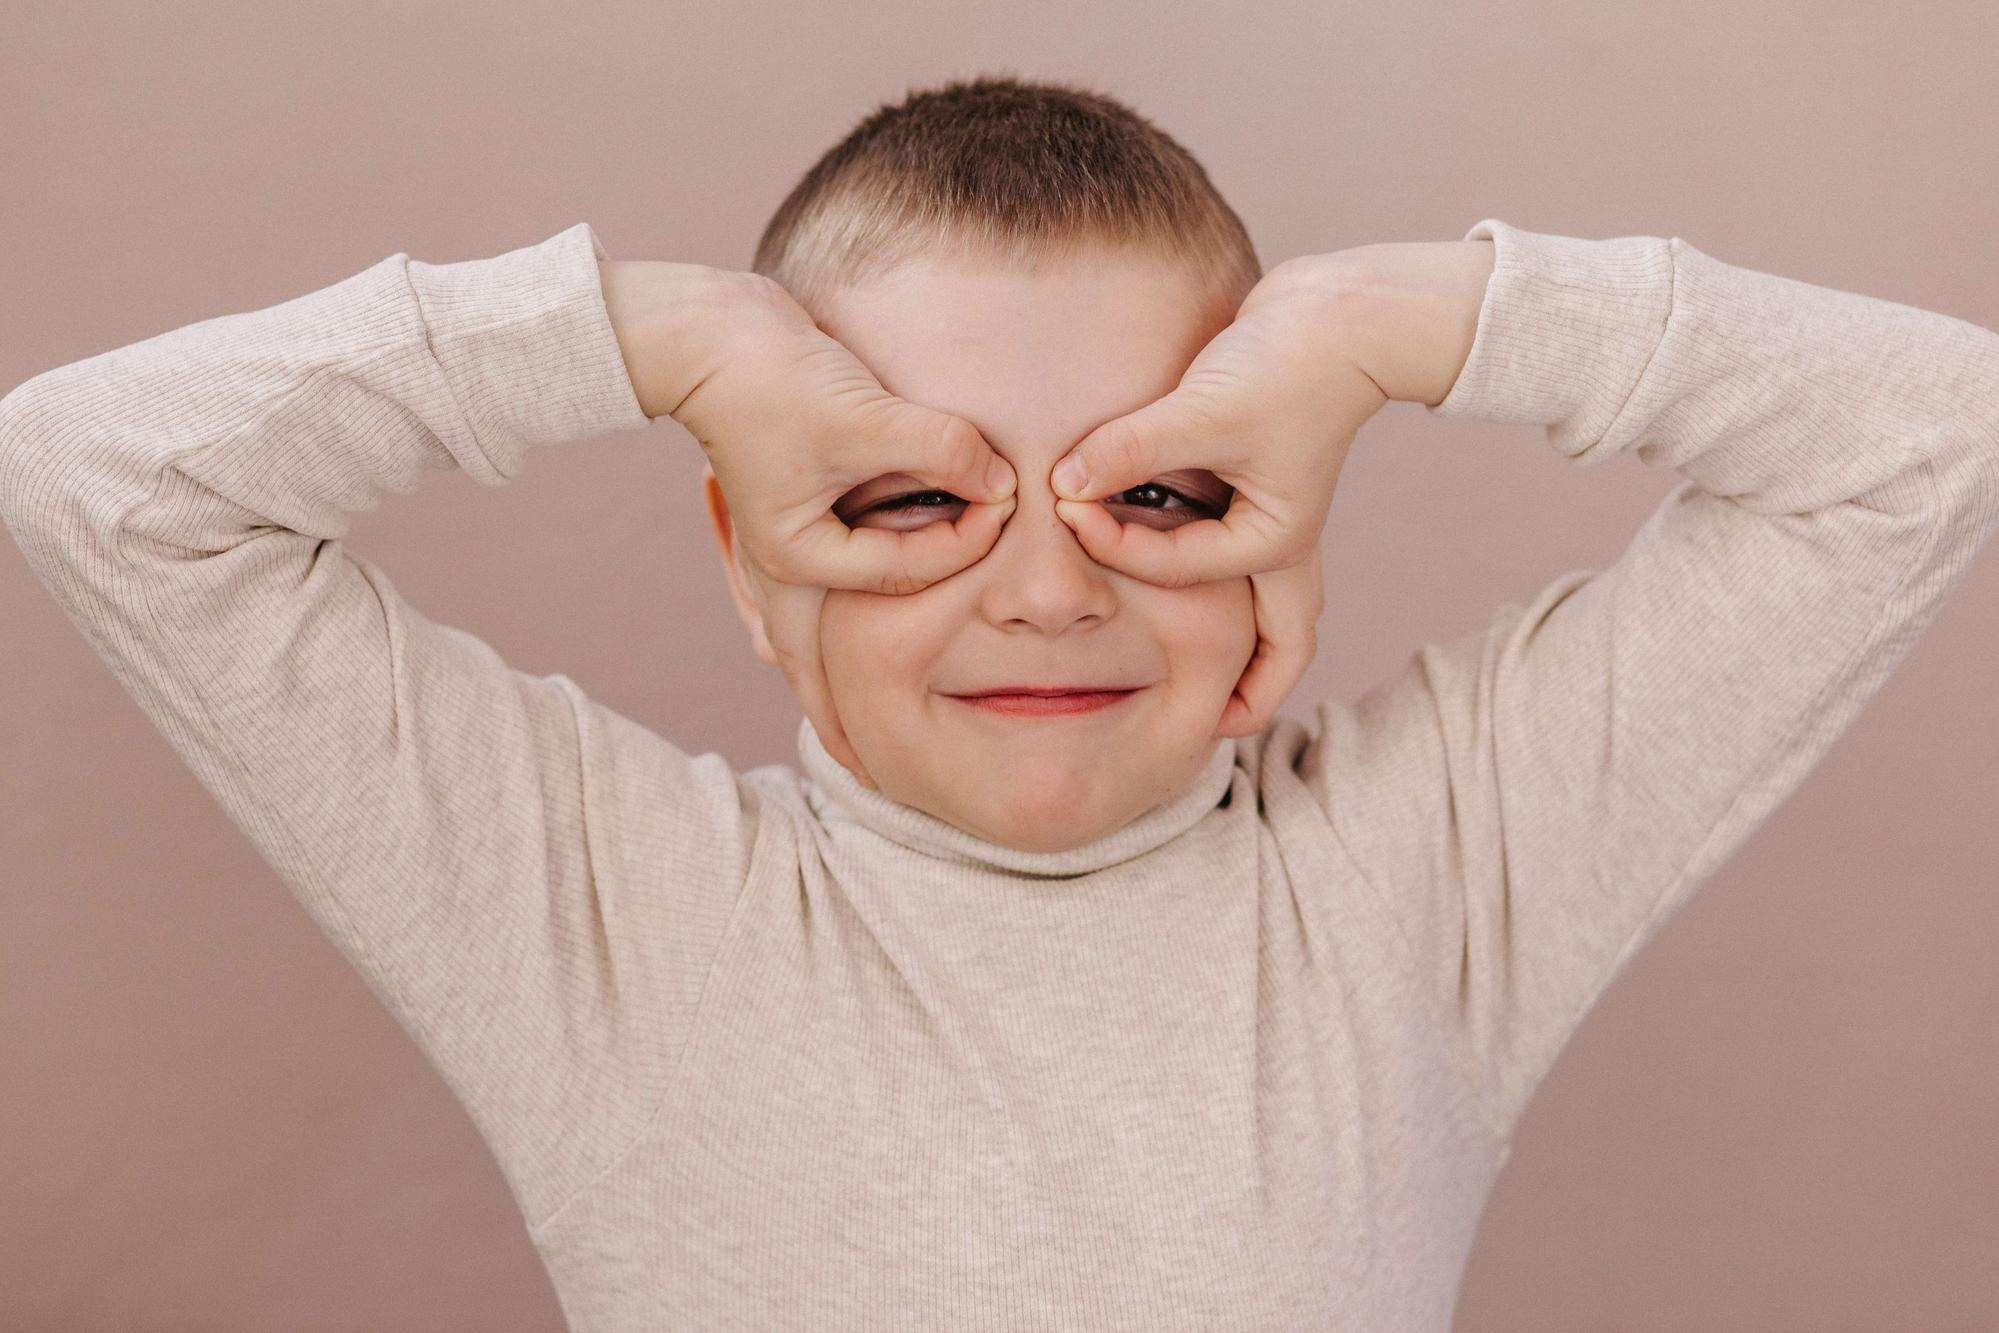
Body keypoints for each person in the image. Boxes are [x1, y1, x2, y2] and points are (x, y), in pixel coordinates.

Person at [1, 73, 1993, 1331]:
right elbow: (94, 474)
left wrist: (1378, 325)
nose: (1046, 584)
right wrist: (671, 334)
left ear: (1277, 515)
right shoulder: (601, 907)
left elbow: (1928, 437)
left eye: (1162, 493)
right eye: (902, 500)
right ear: (746, 558)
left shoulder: (1422, 869)